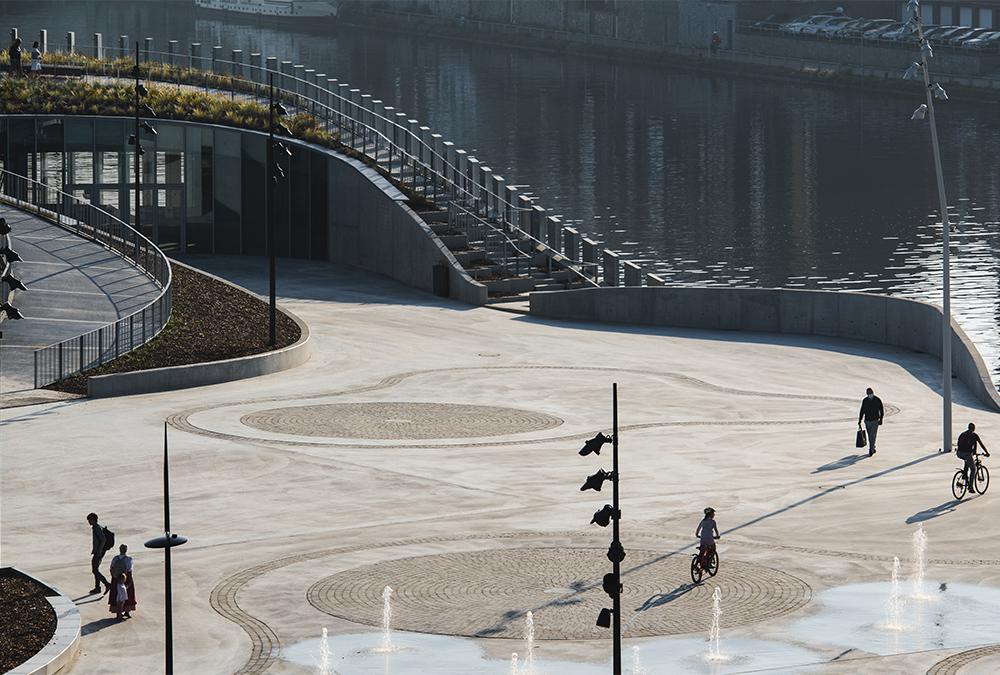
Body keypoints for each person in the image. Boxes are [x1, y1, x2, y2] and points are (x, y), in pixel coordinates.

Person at [956, 422, 990, 494]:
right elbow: (981, 444)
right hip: (967, 453)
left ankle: (964, 475)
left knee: (968, 462)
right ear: (974, 429)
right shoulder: (974, 435)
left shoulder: (963, 434)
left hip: (959, 453)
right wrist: (987, 453)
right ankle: (970, 487)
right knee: (973, 469)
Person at [108, 544, 136, 619]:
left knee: (116, 595)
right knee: (128, 595)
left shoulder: (115, 558)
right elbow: (129, 570)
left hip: (116, 579)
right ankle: (127, 611)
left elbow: (111, 568)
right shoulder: (128, 559)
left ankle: (118, 612)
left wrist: (114, 576)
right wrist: (129, 580)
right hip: (125, 578)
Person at [87, 512, 111, 595]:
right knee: (96, 569)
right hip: (98, 552)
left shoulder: (97, 527)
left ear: (93, 520)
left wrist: (99, 551)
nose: (88, 522)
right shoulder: (96, 527)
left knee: (95, 570)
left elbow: (103, 539)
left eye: (89, 520)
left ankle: (107, 584)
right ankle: (97, 588)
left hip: (99, 552)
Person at [858, 387, 884, 456]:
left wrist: (881, 419)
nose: (869, 394)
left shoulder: (877, 400)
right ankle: (873, 447)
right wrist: (860, 419)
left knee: (873, 435)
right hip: (867, 420)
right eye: (868, 393)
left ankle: (871, 449)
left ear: (873, 392)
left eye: (870, 393)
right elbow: (862, 410)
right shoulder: (865, 400)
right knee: (870, 435)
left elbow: (881, 410)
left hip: (875, 420)